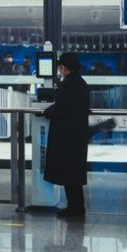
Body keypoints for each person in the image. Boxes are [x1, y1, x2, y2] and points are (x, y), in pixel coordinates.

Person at [43, 52, 91, 217]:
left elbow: (61, 107)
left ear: (63, 67)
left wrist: (47, 112)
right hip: (78, 135)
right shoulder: (81, 83)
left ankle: (75, 208)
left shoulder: (68, 84)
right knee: (74, 173)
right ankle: (76, 206)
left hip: (67, 136)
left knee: (68, 173)